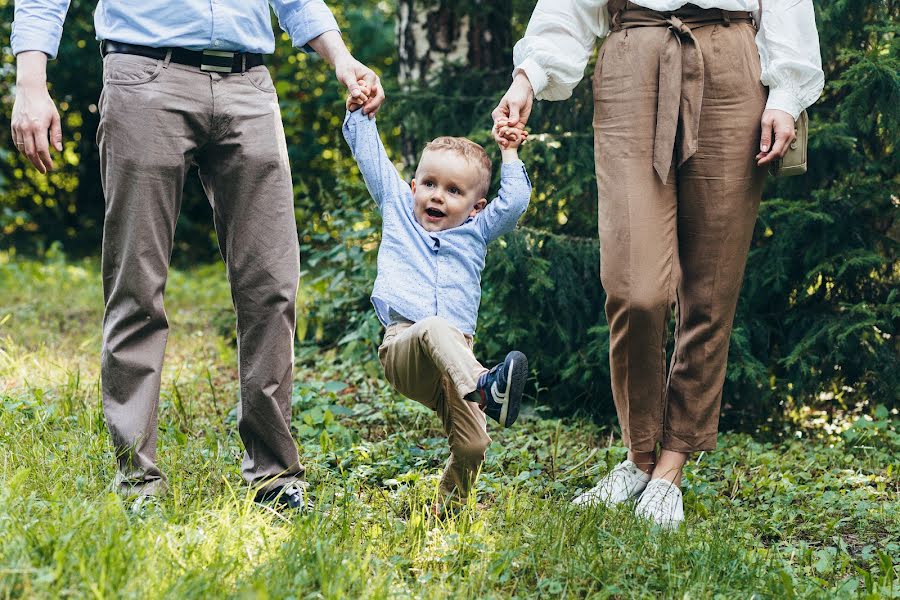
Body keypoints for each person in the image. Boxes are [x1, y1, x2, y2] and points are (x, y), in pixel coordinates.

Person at [10, 0, 385, 510]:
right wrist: (31, 82)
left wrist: (342, 58)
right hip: (144, 74)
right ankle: (138, 481)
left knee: (272, 286)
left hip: (248, 82)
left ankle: (275, 478)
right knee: (137, 285)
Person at [492, 0, 824, 527]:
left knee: (711, 287)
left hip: (732, 59)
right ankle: (639, 456)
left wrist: (786, 94)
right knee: (634, 289)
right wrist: (529, 76)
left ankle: (670, 467)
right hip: (632, 57)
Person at [342, 82, 532, 511]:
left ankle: (447, 510)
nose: (436, 196)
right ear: (412, 186)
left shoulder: (478, 232)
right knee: (432, 326)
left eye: (453, 191)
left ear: (476, 207)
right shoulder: (397, 207)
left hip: (457, 362)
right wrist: (359, 109)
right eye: (428, 183)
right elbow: (369, 155)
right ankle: (486, 384)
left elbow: (516, 201)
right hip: (405, 349)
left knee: (475, 443)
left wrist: (510, 152)